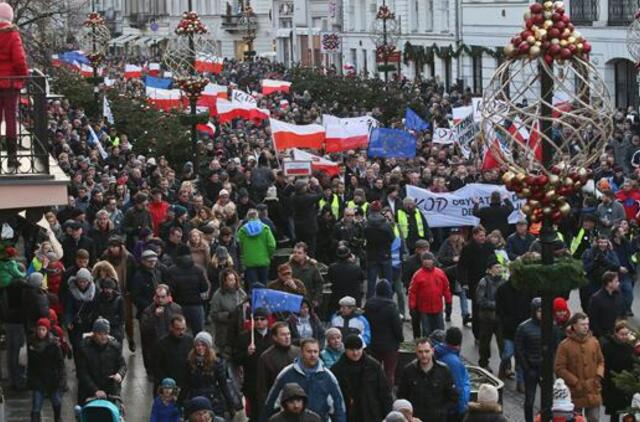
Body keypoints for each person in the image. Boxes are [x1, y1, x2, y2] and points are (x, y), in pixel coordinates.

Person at [261, 338, 346, 422]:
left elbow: (338, 409)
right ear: (301, 352)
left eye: (315, 351)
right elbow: (271, 405)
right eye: (309, 351)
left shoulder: (328, 377)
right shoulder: (286, 374)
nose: (313, 355)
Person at [555, 313, 605, 422]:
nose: (586, 327)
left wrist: (598, 376)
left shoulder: (594, 342)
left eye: (587, 324)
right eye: (582, 324)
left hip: (593, 390)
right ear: (574, 326)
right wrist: (575, 382)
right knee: (575, 419)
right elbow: (559, 368)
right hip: (575, 392)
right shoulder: (565, 345)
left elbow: (601, 361)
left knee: (594, 418)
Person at [330, 334, 393, 422]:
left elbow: (385, 393)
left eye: (358, 349)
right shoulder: (337, 369)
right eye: (351, 350)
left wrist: (388, 415)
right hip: (348, 415)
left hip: (372, 414)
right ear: (345, 350)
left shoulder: (374, 366)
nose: (355, 353)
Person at [397, 338, 459, 422]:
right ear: (416, 352)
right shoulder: (408, 371)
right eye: (420, 352)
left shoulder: (443, 370)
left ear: (432, 351)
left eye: (427, 351)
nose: (424, 355)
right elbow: (402, 396)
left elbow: (453, 397)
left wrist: (442, 412)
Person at [183, 331, 242, 417]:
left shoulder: (216, 363)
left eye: (203, 345)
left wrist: (231, 405)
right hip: (195, 397)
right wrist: (179, 402)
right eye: (198, 345)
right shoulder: (190, 362)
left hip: (212, 399)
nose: (200, 348)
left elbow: (223, 385)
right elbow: (186, 384)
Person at [0, 2, 28, 167]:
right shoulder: (12, 34)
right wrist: (22, 77)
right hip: (10, 84)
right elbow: (19, 60)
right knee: (11, 119)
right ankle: (11, 157)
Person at [232, 307, 273, 420]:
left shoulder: (274, 336)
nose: (259, 321)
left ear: (267, 320)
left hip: (270, 381)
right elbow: (236, 359)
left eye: (262, 318)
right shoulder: (245, 337)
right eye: (256, 319)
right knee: (255, 413)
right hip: (252, 381)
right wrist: (247, 353)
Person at [76, 318, 127, 404]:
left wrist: (119, 374)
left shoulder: (114, 347)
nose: (103, 337)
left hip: (111, 391)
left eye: (105, 333)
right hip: (89, 392)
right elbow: (82, 372)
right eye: (100, 334)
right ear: (94, 333)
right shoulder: (84, 348)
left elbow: (122, 365)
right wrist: (95, 390)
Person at [364, 279, 404, 385]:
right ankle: (387, 394)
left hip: (373, 343)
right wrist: (401, 339)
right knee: (389, 372)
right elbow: (397, 326)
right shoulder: (391, 307)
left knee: (373, 370)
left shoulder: (368, 305)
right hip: (390, 346)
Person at [27, 318, 66, 422]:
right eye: (39, 329)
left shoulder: (54, 344)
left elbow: (60, 364)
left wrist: (61, 380)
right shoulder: (31, 342)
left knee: (56, 402)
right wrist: (31, 379)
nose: (40, 332)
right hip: (38, 379)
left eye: (43, 329)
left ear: (47, 330)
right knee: (36, 406)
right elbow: (30, 364)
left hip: (53, 379)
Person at [458, 225, 494, 338]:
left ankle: (489, 329)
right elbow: (462, 266)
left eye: (484, 235)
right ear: (474, 235)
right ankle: (477, 333)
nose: (483, 238)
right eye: (480, 236)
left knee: (490, 305)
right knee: (477, 307)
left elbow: (494, 260)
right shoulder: (468, 248)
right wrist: (464, 282)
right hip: (475, 281)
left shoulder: (489, 246)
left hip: (489, 280)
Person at [139, 284, 183, 377]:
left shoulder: (176, 309)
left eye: (163, 297)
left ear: (168, 296)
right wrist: (155, 316)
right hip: (155, 346)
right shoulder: (148, 311)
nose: (160, 300)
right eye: (158, 297)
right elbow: (144, 329)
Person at [165, 244, 209, 335]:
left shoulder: (171, 271)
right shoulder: (198, 269)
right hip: (196, 305)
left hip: (178, 306)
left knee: (178, 333)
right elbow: (204, 287)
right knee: (198, 333)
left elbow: (170, 290)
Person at [256, 322, 300, 409]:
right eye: (283, 335)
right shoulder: (266, 357)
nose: (287, 337)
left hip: (299, 400)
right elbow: (262, 387)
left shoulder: (298, 352)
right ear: (275, 337)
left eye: (288, 334)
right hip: (278, 403)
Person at [408, 252, 451, 337]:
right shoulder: (418, 275)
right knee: (426, 332)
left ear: (433, 260)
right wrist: (412, 307)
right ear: (422, 261)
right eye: (425, 259)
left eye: (429, 259)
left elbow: (446, 289)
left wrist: (448, 302)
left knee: (440, 332)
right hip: (424, 309)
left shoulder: (440, 273)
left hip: (438, 308)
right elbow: (412, 292)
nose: (427, 261)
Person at [515, 298, 544, 422]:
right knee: (529, 400)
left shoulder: (550, 326)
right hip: (531, 368)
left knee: (548, 399)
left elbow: (555, 347)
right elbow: (519, 350)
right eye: (539, 311)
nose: (541, 313)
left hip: (544, 368)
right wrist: (526, 367)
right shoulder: (524, 327)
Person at [476, 256, 506, 371]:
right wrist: (495, 305)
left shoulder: (504, 282)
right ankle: (483, 363)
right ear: (490, 270)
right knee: (485, 342)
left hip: (500, 318)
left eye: (500, 267)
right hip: (487, 317)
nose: (499, 269)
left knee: (503, 343)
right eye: (496, 267)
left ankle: (506, 366)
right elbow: (480, 299)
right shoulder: (484, 282)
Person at [601, 320, 635, 421]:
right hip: (612, 384)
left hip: (626, 384)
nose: (624, 336)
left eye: (626, 334)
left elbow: (633, 365)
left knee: (627, 413)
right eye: (622, 334)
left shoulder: (630, 348)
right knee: (615, 412)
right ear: (616, 334)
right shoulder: (608, 347)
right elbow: (605, 365)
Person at [434, 327, 471, 420]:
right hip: (451, 411)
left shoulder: (437, 351)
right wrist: (462, 409)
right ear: (459, 343)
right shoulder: (454, 362)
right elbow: (458, 389)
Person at [210, 268, 247, 356]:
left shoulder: (240, 292)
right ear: (224, 281)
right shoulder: (218, 295)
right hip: (224, 332)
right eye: (230, 280)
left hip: (239, 331)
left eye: (234, 279)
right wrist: (229, 315)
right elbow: (213, 314)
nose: (233, 282)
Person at [237, 208, 276, 287]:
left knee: (253, 285)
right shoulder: (265, 228)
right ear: (257, 216)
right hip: (264, 260)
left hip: (249, 261)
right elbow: (272, 245)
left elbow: (238, 245)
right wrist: (269, 255)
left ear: (247, 217)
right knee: (264, 284)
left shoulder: (242, 231)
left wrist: (243, 256)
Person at [154, 314, 194, 391]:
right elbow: (156, 367)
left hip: (185, 384)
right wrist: (166, 382)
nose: (181, 332)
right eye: (178, 329)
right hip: (167, 385)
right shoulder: (161, 344)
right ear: (171, 328)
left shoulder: (189, 341)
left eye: (183, 329)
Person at [64, 268, 98, 357]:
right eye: (80, 281)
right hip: (77, 324)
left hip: (90, 323)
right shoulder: (71, 291)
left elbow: (97, 308)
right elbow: (68, 309)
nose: (82, 284)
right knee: (77, 348)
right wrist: (68, 321)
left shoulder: (94, 291)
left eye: (84, 282)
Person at [364, 200, 395, 298]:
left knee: (371, 281)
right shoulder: (386, 225)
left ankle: (370, 301)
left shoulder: (366, 225)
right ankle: (388, 300)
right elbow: (392, 238)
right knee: (388, 281)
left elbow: (363, 237)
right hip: (385, 254)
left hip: (371, 255)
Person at [403, 239, 432, 337]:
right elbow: (406, 278)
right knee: (415, 319)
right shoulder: (410, 262)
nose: (425, 252)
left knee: (427, 322)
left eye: (427, 249)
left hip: (428, 296)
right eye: (422, 249)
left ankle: (427, 341)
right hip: (415, 297)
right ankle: (417, 339)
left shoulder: (432, 260)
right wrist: (410, 289)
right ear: (417, 250)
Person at [326, 245, 364, 313]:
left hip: (336, 299)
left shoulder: (332, 267)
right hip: (353, 299)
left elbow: (330, 279)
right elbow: (362, 279)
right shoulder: (356, 268)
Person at [588, 271, 625, 339]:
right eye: (616, 281)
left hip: (613, 332)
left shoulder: (618, 294)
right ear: (609, 283)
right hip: (600, 335)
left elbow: (619, 310)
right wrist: (601, 334)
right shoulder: (596, 298)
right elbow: (593, 319)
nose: (619, 283)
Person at [289, 242, 324, 307]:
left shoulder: (312, 267)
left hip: (308, 302)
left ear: (305, 254)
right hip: (292, 301)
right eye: (294, 252)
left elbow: (319, 284)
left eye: (299, 253)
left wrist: (316, 299)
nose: (296, 254)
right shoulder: (288, 267)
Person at [93, 277, 124, 346]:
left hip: (115, 328)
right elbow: (95, 312)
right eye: (106, 288)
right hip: (103, 329)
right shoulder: (99, 298)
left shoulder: (119, 299)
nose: (107, 291)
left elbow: (122, 317)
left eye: (109, 289)